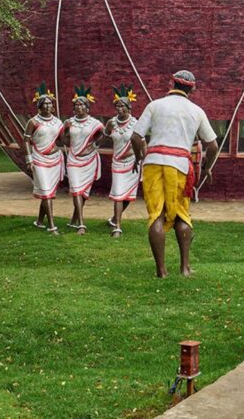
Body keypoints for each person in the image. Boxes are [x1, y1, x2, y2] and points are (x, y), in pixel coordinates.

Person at [130, 70, 219, 278]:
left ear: (172, 83)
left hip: (153, 163)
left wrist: (139, 158)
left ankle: (161, 271)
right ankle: (185, 268)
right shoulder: (196, 111)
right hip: (180, 165)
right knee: (181, 212)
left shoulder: (154, 105)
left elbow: (135, 138)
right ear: (193, 88)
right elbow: (212, 145)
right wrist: (206, 167)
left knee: (156, 214)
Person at [62, 84, 104, 235]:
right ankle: (81, 224)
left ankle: (74, 218)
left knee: (84, 191)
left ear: (87, 107)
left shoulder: (95, 123)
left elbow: (103, 134)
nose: (79, 107)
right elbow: (65, 141)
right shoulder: (69, 122)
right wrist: (66, 132)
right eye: (76, 105)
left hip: (89, 160)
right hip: (74, 159)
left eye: (82, 104)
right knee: (76, 190)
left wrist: (95, 146)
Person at [24, 83, 63, 235]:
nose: (47, 105)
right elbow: (26, 140)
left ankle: (40, 221)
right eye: (44, 103)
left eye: (49, 103)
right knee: (46, 192)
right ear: (39, 106)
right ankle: (52, 226)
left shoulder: (57, 122)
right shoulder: (33, 122)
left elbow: (62, 138)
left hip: (54, 159)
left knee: (48, 192)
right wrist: (29, 159)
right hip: (39, 159)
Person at [105, 84, 139, 237]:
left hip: (133, 163)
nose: (119, 108)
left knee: (128, 196)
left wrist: (140, 158)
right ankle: (117, 227)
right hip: (117, 163)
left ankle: (113, 219)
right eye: (117, 106)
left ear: (129, 108)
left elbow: (141, 142)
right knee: (118, 192)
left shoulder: (135, 123)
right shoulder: (112, 122)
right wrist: (107, 127)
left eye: (122, 106)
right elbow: (106, 134)